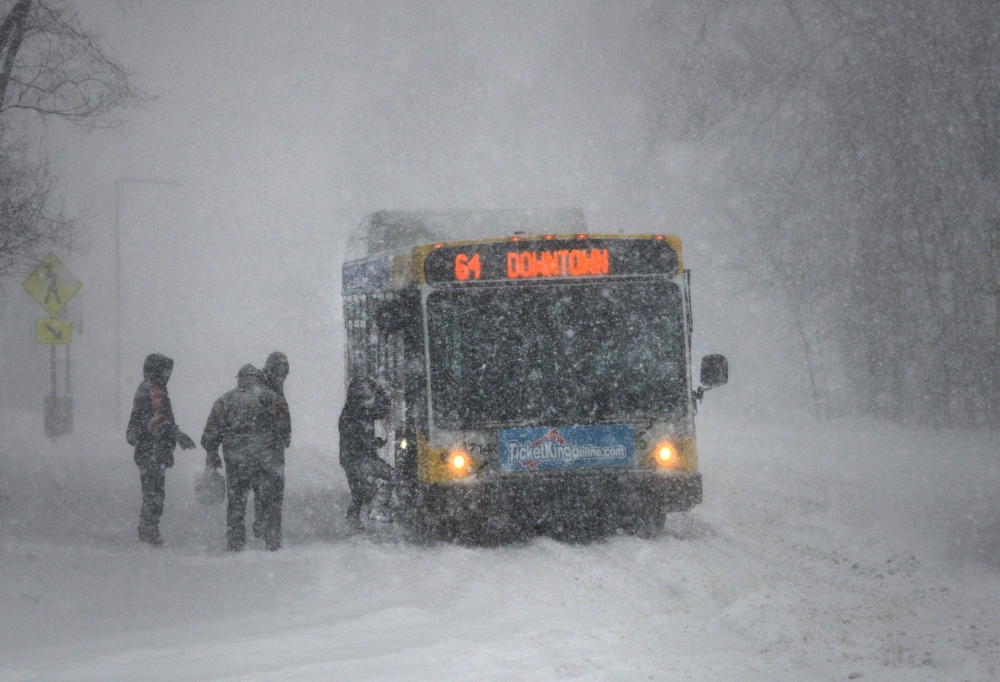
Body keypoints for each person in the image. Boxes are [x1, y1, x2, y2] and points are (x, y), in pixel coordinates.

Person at [202, 364, 285, 551]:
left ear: (240, 379)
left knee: (237, 501)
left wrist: (212, 451)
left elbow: (212, 431)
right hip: (266, 459)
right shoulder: (273, 398)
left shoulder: (225, 400)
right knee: (268, 500)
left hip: (237, 460)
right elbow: (284, 428)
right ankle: (272, 539)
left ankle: (235, 541)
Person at [126, 353, 197, 546]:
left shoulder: (152, 388)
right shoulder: (152, 390)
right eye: (166, 370)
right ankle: (149, 530)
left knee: (153, 491)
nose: (168, 374)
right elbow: (156, 419)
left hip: (150, 448)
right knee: (154, 492)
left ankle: (148, 528)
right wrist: (176, 435)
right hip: (150, 449)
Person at [338, 377, 393, 531]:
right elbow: (357, 439)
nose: (369, 399)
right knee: (392, 476)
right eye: (366, 395)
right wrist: (373, 443)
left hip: (352, 459)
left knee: (358, 493)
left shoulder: (355, 411)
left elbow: (381, 411)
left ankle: (353, 522)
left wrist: (380, 392)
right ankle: (376, 507)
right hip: (358, 460)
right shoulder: (353, 414)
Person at [251, 351, 291, 545]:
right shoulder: (265, 390)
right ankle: (271, 533)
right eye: (280, 374)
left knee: (266, 489)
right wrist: (283, 433)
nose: (282, 379)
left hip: (266, 447)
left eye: (284, 375)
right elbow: (277, 415)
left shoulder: (268, 385)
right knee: (270, 490)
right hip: (267, 447)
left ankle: (265, 527)